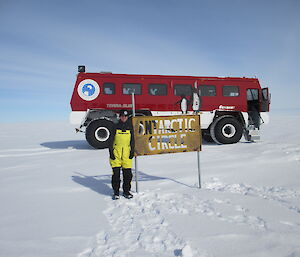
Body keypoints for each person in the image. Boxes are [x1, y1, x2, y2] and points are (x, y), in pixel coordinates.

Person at [108, 110, 135, 199]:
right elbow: (110, 140)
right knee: (116, 175)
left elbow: (132, 141)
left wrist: (132, 151)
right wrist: (111, 152)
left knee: (128, 175)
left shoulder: (130, 127)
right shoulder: (115, 126)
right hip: (116, 153)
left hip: (127, 154)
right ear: (119, 117)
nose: (124, 118)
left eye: (126, 116)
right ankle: (116, 192)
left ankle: (126, 191)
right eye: (122, 116)